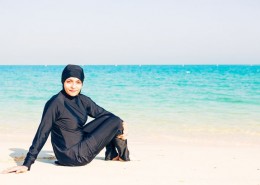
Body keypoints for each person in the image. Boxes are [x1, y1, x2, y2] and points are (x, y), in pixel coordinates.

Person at [2, 64, 130, 174]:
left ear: (82, 84)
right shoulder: (55, 103)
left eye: (78, 82)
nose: (73, 86)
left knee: (113, 120)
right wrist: (27, 164)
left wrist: (124, 126)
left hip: (79, 145)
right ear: (63, 81)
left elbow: (105, 115)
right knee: (116, 121)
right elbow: (42, 132)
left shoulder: (83, 100)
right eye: (69, 81)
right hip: (73, 156)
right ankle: (122, 156)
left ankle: (112, 155)